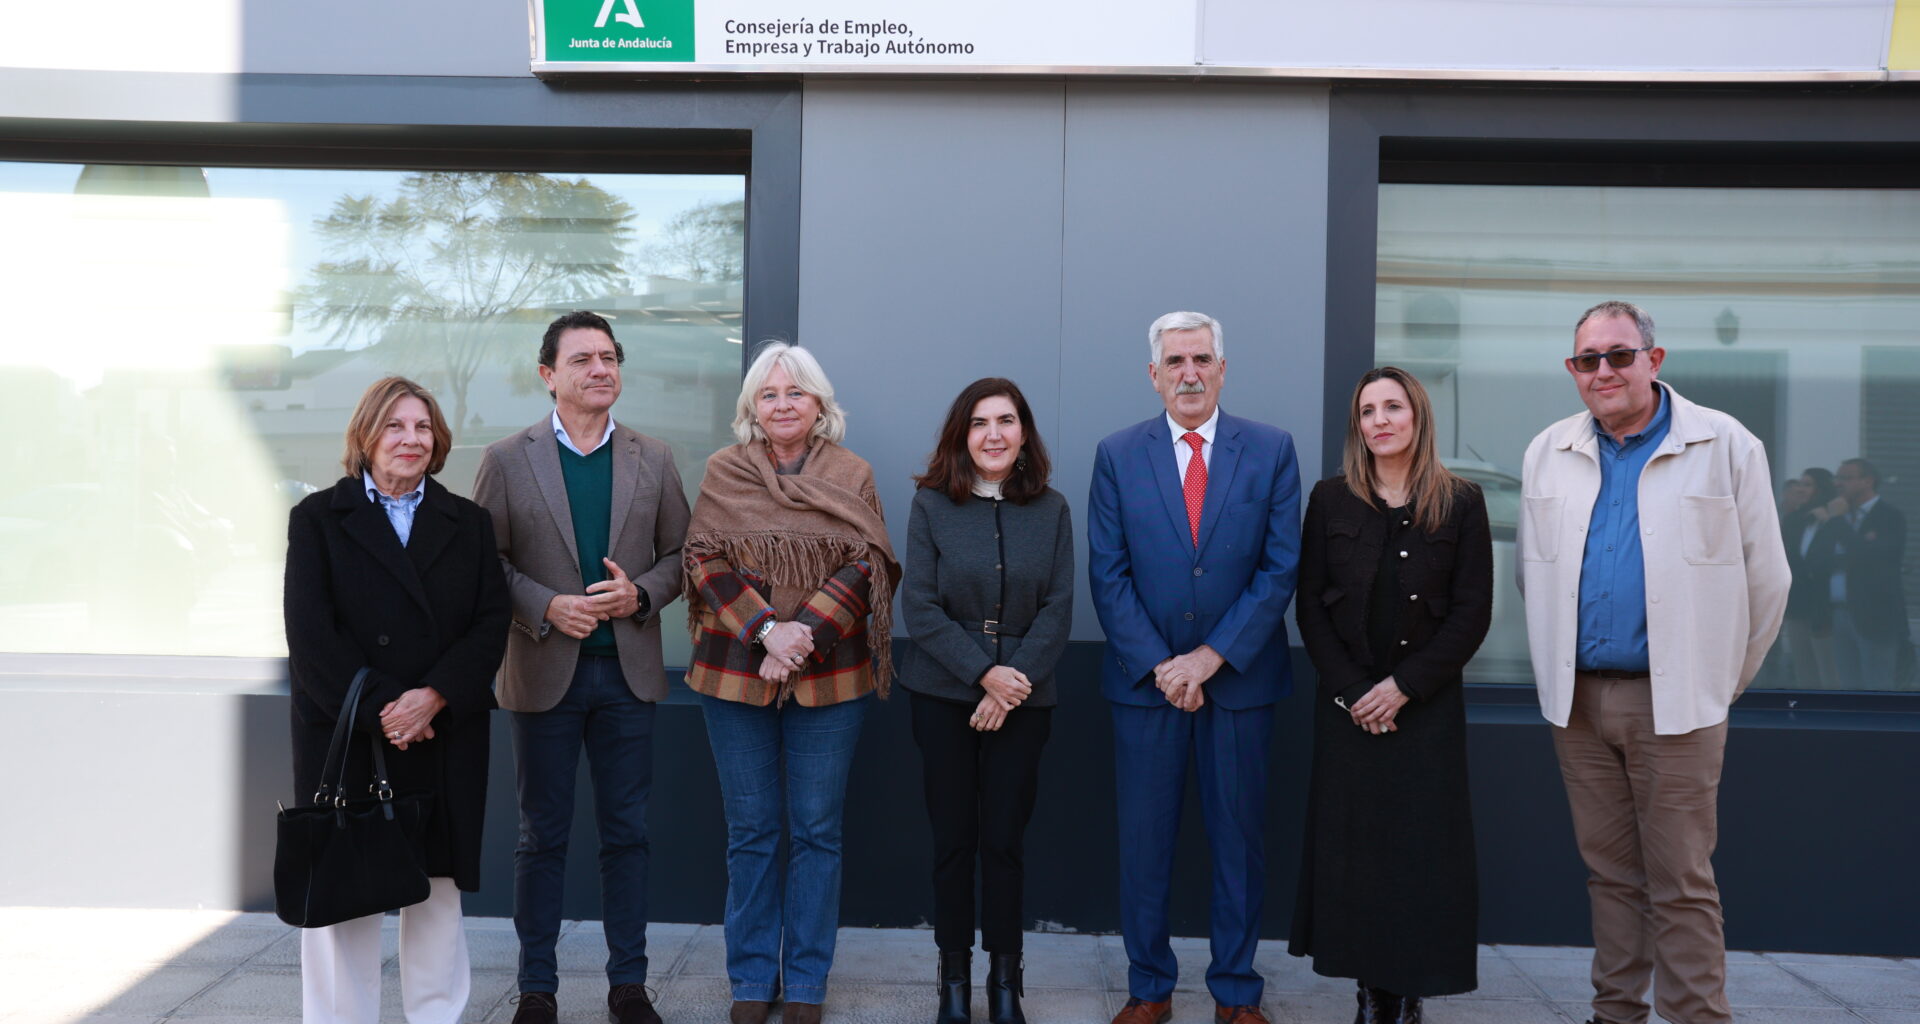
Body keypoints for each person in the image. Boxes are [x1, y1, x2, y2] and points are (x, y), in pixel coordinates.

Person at [1518, 300, 1788, 1024]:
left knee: (1681, 881)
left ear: (1654, 360)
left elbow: (1768, 582)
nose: (1603, 371)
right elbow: (1532, 574)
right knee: (1609, 877)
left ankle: (1698, 1017)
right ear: (1573, 371)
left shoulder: (1726, 444)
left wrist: (1714, 682)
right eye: (1587, 360)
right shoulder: (1548, 449)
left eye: (1618, 355)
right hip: (1578, 706)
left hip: (1678, 705)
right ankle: (1616, 1014)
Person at [472, 311, 691, 1024]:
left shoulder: (653, 458)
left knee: (628, 834)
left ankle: (628, 985)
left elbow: (680, 559)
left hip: (627, 677)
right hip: (543, 676)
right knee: (542, 836)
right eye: (583, 359)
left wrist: (640, 594)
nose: (601, 369)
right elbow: (485, 566)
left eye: (609, 357)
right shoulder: (508, 459)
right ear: (549, 375)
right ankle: (537, 988)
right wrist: (543, 606)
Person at [1087, 311, 1301, 1024]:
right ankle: (1149, 989)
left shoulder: (1270, 450)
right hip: (1146, 688)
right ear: (1154, 374)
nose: (1189, 372)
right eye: (1175, 361)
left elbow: (1279, 568)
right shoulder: (1118, 454)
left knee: (1238, 845)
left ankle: (1236, 993)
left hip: (1240, 684)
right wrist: (1162, 667)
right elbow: (1108, 574)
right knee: (1144, 847)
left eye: (1202, 359)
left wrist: (1208, 660)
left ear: (1222, 368)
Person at [681, 342, 901, 1024]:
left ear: (818, 405)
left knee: (816, 833)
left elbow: (870, 563)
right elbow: (702, 556)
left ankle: (805, 982)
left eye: (795, 393)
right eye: (769, 395)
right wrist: (764, 632)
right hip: (734, 675)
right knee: (751, 833)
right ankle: (751, 980)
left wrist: (801, 635)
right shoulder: (725, 471)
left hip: (830, 677)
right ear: (752, 406)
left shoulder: (851, 472)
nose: (782, 405)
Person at [285, 376, 510, 1024]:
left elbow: (490, 623)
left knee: (435, 895)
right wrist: (390, 708)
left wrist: (433, 697)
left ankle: (436, 1016)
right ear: (366, 435)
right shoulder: (318, 520)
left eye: (422, 427)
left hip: (442, 734)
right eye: (395, 426)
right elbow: (311, 635)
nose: (411, 439)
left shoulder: (468, 523)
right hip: (347, 730)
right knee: (342, 898)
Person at [1290, 367, 1493, 1024]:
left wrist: (1404, 688)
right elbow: (1310, 610)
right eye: (1368, 410)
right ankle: (1374, 998)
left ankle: (1409, 994)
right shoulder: (1330, 501)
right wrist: (1353, 692)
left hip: (1425, 711)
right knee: (1360, 860)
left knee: (1419, 860)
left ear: (1417, 417)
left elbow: (1471, 612)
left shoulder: (1460, 502)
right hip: (1350, 713)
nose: (1379, 419)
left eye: (1392, 407)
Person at [900, 378, 1075, 1024]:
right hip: (941, 696)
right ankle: (952, 983)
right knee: (953, 840)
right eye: (979, 423)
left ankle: (1005, 983)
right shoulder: (930, 506)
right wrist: (983, 676)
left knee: (1003, 841)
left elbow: (1059, 610)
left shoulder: (1052, 509)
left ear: (1024, 432)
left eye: (1006, 421)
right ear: (961, 436)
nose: (994, 434)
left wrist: (1010, 683)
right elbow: (917, 606)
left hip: (1026, 700)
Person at [1822, 457, 1908, 689]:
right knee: (1848, 687)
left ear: (1867, 481)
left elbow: (1870, 558)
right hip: (1839, 612)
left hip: (1873, 615)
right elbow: (1821, 559)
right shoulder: (1839, 518)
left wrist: (1839, 522)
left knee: (1876, 686)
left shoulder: (1888, 517)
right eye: (1837, 479)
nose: (1839, 484)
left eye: (1846, 478)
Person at [1779, 467, 1839, 688]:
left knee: (1829, 671)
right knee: (1804, 669)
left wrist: (1829, 522)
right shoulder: (1795, 519)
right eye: (1800, 484)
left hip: (1824, 606)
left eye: (1807, 484)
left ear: (1820, 488)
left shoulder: (1833, 517)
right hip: (1798, 602)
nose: (1801, 489)